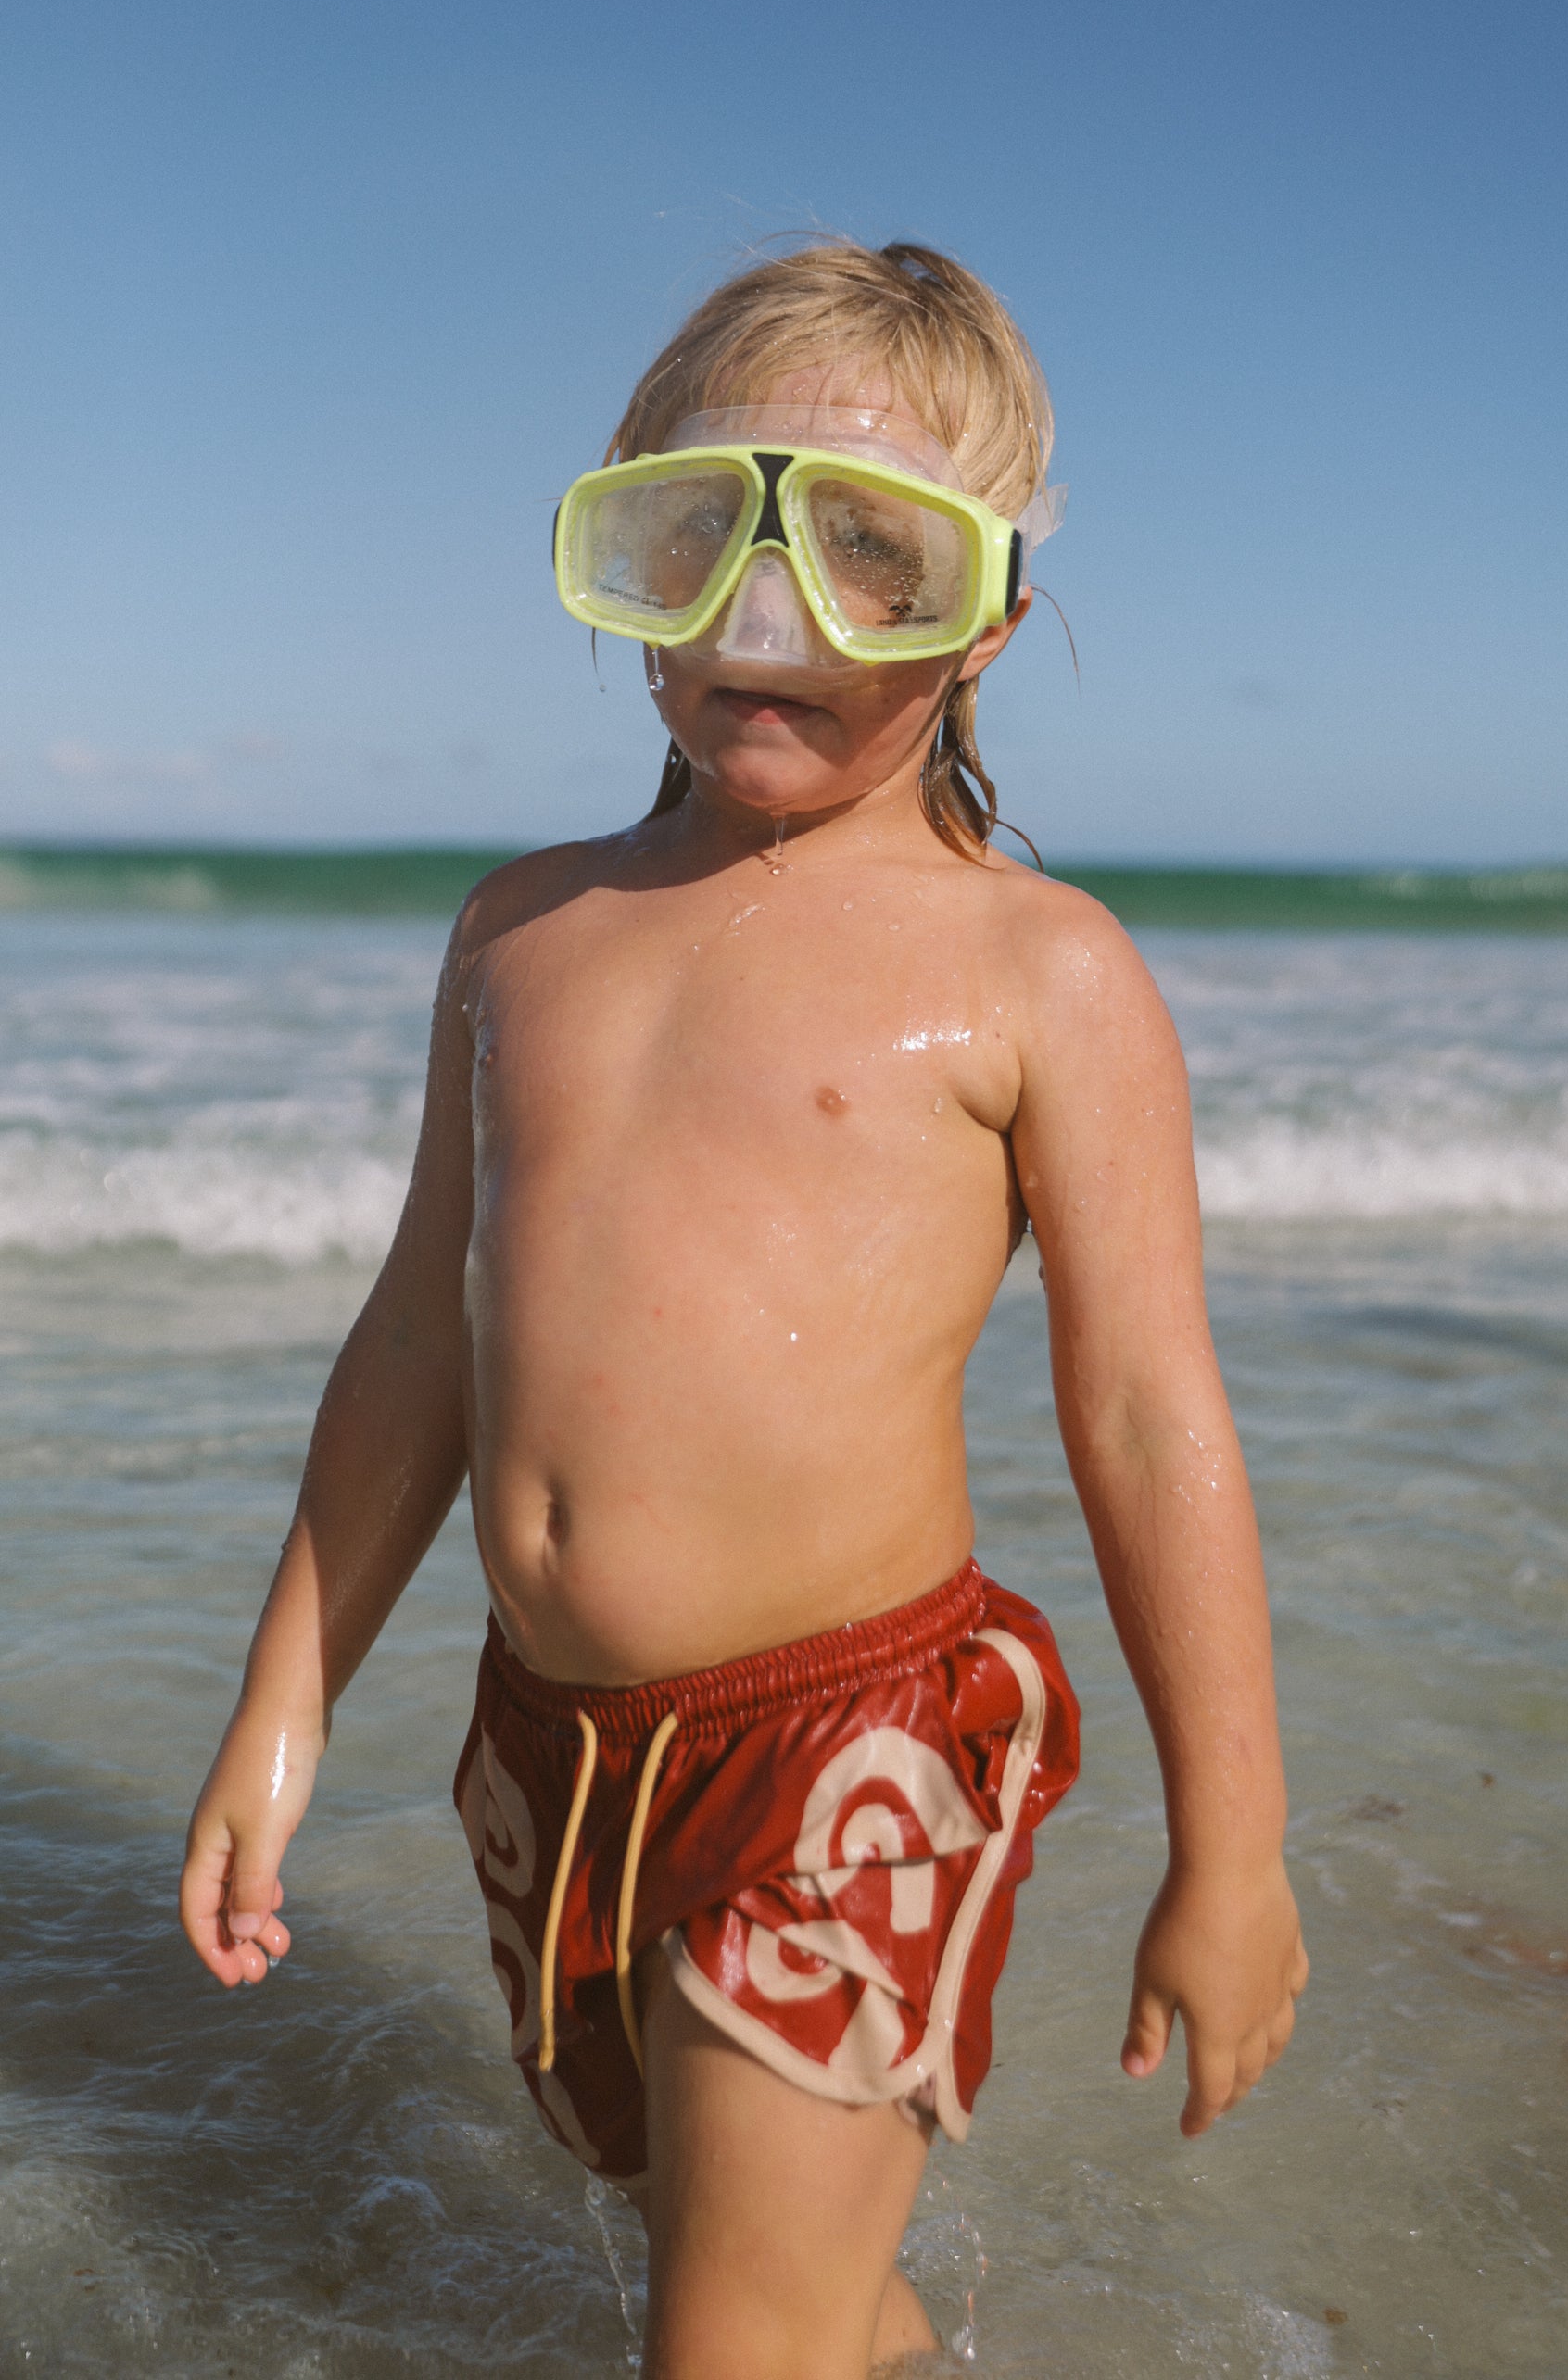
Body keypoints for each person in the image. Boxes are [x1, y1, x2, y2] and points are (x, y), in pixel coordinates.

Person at [179, 239, 1307, 2378]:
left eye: (869, 555)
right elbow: (425, 1327)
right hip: (555, 1748)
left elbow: (1150, 1416)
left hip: (851, 1752)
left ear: (982, 620)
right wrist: (284, 1696)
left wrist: (1225, 1848)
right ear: (619, 548)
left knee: (723, 2340)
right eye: (696, 533)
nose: (762, 612)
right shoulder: (521, 932)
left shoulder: (1036, 973)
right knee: (760, 2275)